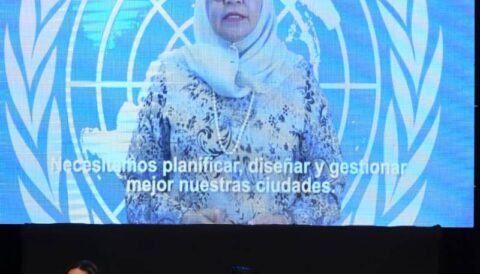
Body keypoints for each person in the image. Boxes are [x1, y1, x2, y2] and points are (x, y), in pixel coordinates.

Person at [123, 0, 344, 225]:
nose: (233, 0)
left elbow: (329, 185)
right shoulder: (172, 75)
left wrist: (287, 221)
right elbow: (138, 187)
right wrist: (183, 219)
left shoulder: (297, 77)